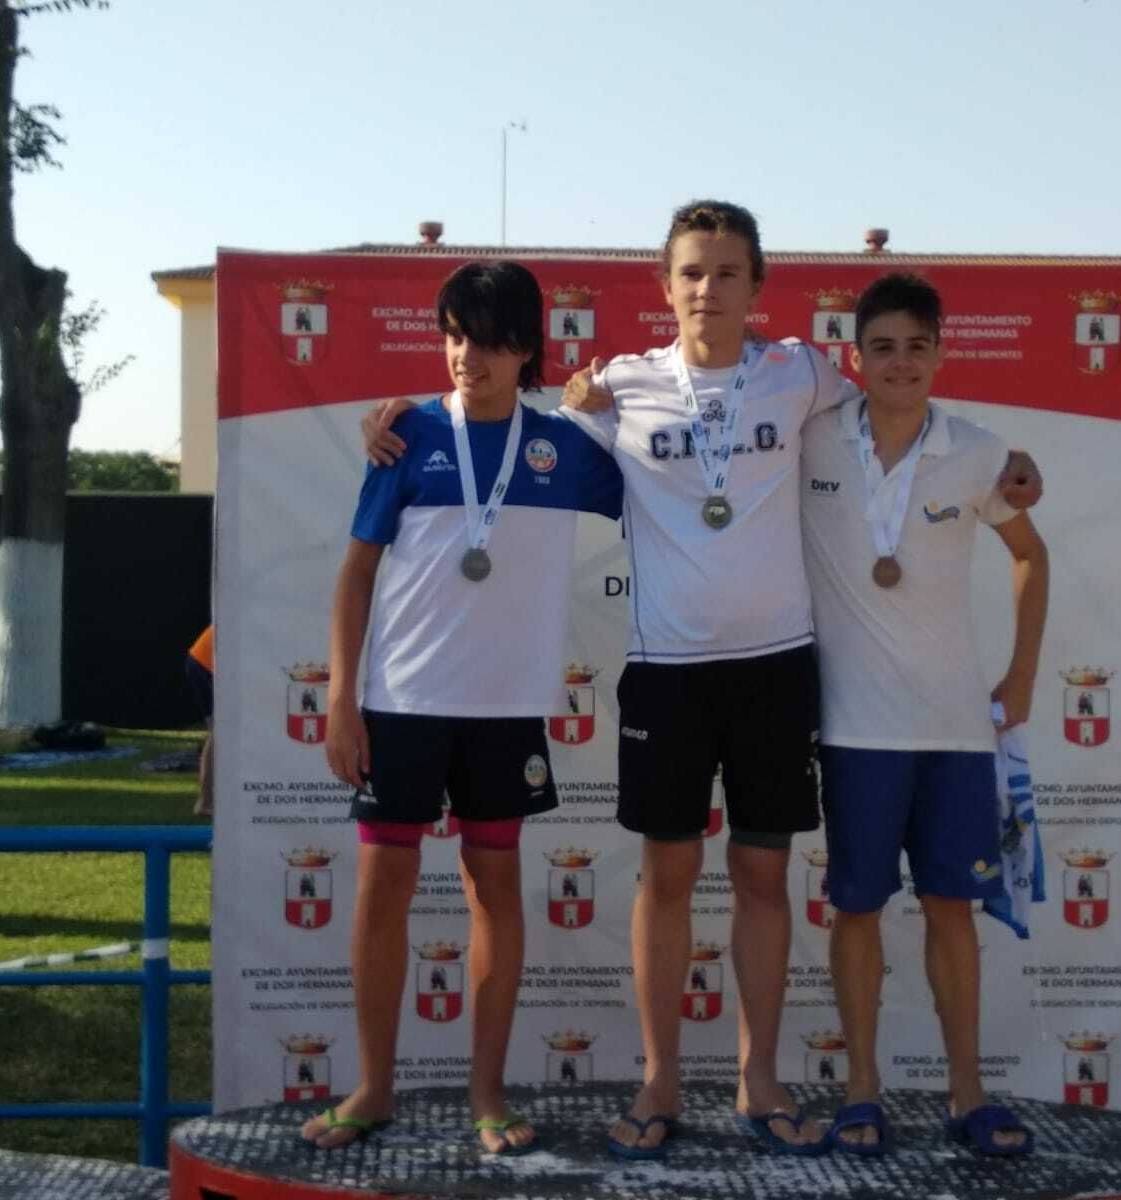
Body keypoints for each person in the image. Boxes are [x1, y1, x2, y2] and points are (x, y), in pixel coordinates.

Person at [363, 200, 1042, 1158]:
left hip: (773, 674)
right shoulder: (619, 389)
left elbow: (904, 409)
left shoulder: (803, 374)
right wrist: (394, 418)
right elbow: (499, 426)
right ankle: (660, 1081)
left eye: (728, 273)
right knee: (667, 878)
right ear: (664, 285)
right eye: (691, 272)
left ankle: (759, 1081)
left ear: (760, 288)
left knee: (763, 880)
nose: (708, 290)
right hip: (667, 676)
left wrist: (1007, 464)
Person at [302, 261, 623, 1155]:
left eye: (484, 340)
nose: (463, 356)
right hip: (400, 705)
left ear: (525, 350)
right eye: (452, 336)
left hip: (506, 712)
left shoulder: (565, 451)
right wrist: (342, 701)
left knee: (496, 896)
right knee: (379, 898)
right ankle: (372, 1087)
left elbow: (666, 491)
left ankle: (489, 1094)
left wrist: (605, 406)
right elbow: (356, 571)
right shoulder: (404, 439)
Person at [801, 273, 1048, 1158]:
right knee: (857, 911)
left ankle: (966, 1093)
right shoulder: (811, 438)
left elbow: (1030, 554)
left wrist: (1020, 676)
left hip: (953, 729)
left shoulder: (981, 450)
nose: (900, 363)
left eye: (917, 346)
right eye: (883, 347)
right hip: (853, 729)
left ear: (941, 353)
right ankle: (861, 1091)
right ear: (854, 357)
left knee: (952, 910)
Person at [185, 625, 215, 818]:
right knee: (220, 733)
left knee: (219, 733)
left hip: (203, 660)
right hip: (204, 663)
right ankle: (204, 802)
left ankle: (208, 799)